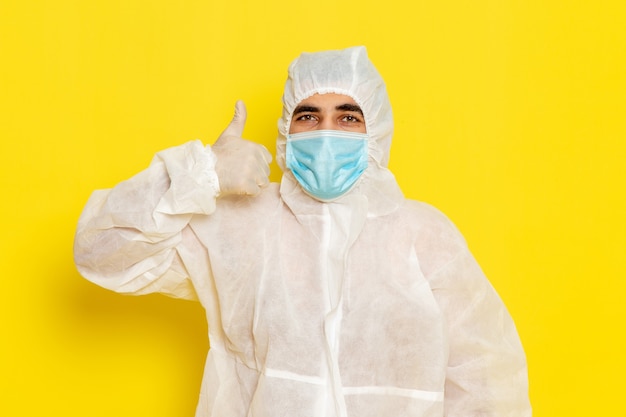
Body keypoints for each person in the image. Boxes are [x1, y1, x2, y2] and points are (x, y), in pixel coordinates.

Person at [74, 46, 531, 417]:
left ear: (377, 130)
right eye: (308, 116)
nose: (326, 132)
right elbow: (100, 250)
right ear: (286, 132)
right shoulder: (240, 223)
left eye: (348, 117)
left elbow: (485, 379)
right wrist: (203, 174)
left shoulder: (424, 234)